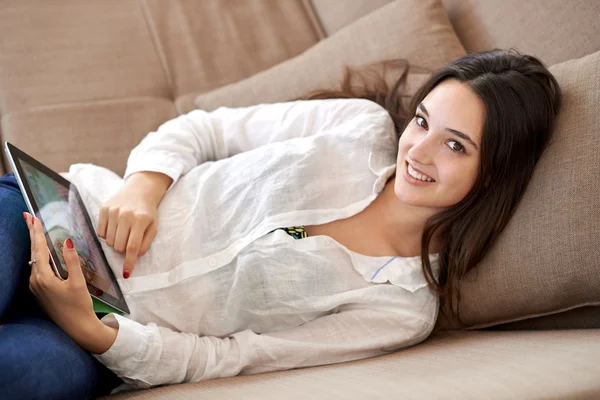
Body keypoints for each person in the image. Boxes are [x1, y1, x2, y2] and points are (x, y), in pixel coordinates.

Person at [0, 49, 562, 398]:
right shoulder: (356, 128)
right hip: (58, 216)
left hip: (89, 340)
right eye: (422, 121)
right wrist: (146, 186)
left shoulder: (401, 307)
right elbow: (204, 131)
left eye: (456, 145)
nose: (419, 150)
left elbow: (236, 357)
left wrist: (93, 330)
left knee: (24, 377)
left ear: (493, 174)